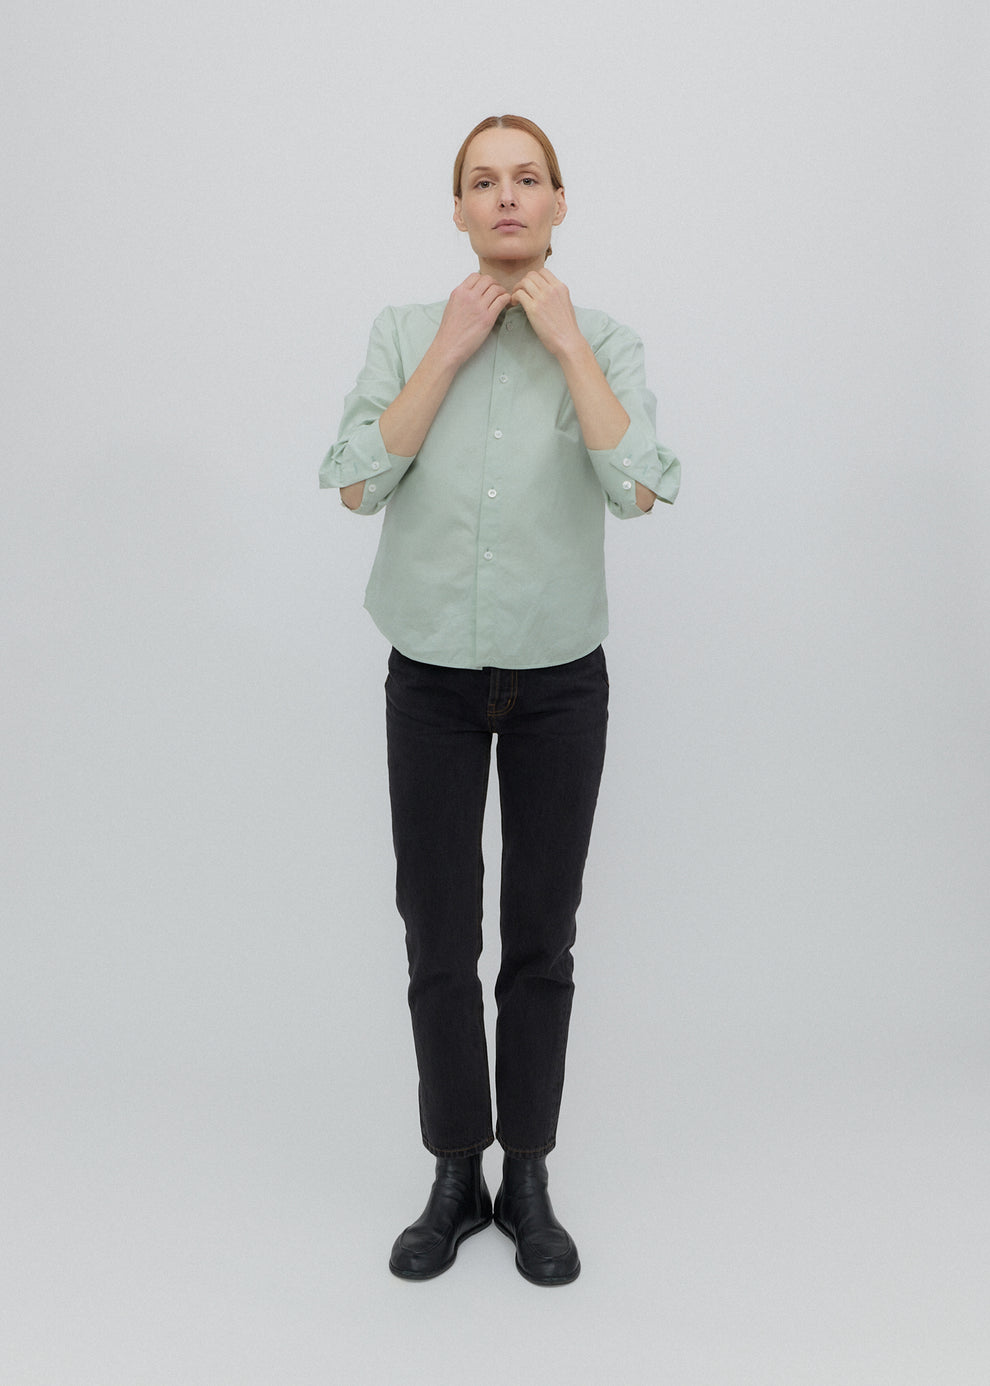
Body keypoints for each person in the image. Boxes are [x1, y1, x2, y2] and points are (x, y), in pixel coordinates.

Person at [320, 114, 680, 1286]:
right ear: (460, 210)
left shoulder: (609, 340)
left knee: (541, 934)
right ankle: (453, 1174)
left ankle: (528, 1178)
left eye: (529, 179)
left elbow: (639, 489)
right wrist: (449, 355)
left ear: (561, 202)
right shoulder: (403, 332)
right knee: (436, 930)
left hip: (560, 679)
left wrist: (567, 345)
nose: (508, 197)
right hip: (427, 675)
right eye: (485, 182)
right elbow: (357, 483)